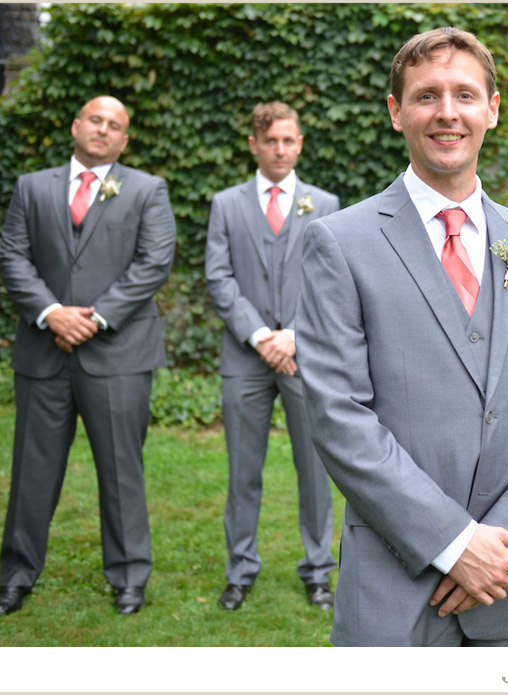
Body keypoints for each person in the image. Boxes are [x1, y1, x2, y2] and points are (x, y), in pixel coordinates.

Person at [295, 27, 508, 647]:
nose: (447, 112)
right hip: (396, 586)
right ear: (395, 112)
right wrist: (453, 544)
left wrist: (503, 542)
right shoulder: (341, 243)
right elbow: (338, 415)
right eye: (427, 96)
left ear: (493, 107)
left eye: (464, 94)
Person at [0, 95, 177, 615]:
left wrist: (91, 318)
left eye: (114, 125)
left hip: (119, 353)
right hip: (42, 352)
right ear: (76, 126)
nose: (103, 130)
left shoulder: (146, 190)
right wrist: (52, 313)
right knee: (32, 469)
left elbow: (153, 262)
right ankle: (17, 575)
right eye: (95, 120)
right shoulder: (32, 187)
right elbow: (12, 255)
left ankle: (128, 577)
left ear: (124, 139)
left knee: (121, 468)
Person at [205, 102, 339, 612]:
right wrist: (261, 335)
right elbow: (219, 278)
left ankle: (318, 570)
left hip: (307, 359)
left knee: (315, 467)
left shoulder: (324, 204)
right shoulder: (227, 204)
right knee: (243, 470)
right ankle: (240, 570)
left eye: (289, 140)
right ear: (254, 145)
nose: (281, 149)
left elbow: (330, 281)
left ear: (300, 143)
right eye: (271, 141)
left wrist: (295, 336)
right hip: (246, 359)